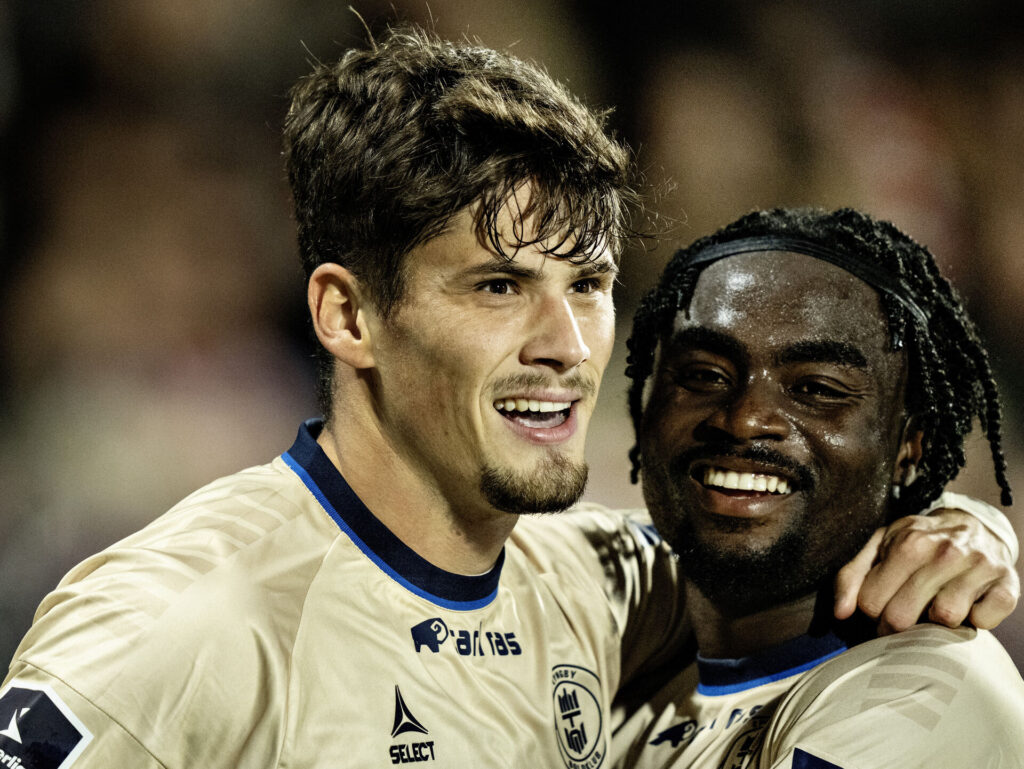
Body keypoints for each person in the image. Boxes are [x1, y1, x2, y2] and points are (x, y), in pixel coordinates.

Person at [1, 30, 1016, 769]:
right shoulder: (179, 626)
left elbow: (811, 553)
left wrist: (947, 528)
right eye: (497, 286)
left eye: (588, 285)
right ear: (349, 315)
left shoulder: (606, 588)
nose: (565, 344)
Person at [615, 207, 1024, 768]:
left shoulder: (919, 692)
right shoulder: (615, 626)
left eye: (817, 389)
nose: (744, 419)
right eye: (704, 375)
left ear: (911, 447)